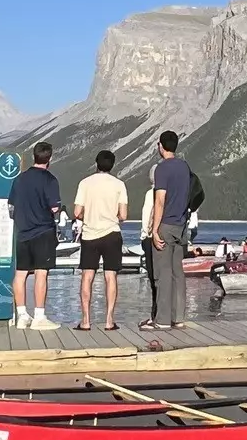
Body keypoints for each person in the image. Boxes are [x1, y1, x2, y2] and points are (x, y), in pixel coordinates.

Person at [72, 148, 131, 331]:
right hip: (112, 234)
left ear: (96, 164)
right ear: (112, 165)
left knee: (87, 276)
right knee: (110, 276)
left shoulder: (85, 183)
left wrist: (87, 216)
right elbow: (123, 215)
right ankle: (109, 321)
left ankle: (86, 321)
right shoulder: (119, 185)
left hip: (90, 235)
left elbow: (76, 212)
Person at [8, 142, 64, 331]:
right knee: (41, 273)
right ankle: (39, 316)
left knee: (20, 274)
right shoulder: (50, 180)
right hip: (43, 231)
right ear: (50, 158)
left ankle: (21, 315)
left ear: (34, 156)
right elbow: (55, 207)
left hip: (22, 232)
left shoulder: (19, 179)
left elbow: (11, 207)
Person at [150, 130, 193, 328]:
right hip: (181, 225)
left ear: (161, 146)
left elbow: (160, 200)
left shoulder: (162, 169)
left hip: (166, 223)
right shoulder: (184, 166)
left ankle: (163, 320)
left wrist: (154, 229)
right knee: (178, 272)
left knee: (162, 273)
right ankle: (179, 318)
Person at [136, 167, 160, 332]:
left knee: (154, 280)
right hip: (165, 237)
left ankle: (155, 316)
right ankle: (164, 315)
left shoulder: (151, 193)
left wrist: (144, 235)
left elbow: (146, 216)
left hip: (151, 237)